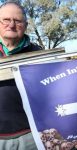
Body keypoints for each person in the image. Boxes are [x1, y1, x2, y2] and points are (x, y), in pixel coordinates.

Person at [0, 1, 42, 150]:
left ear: (25, 25)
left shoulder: (39, 53)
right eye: (5, 20)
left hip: (32, 135)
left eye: (17, 20)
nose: (11, 25)